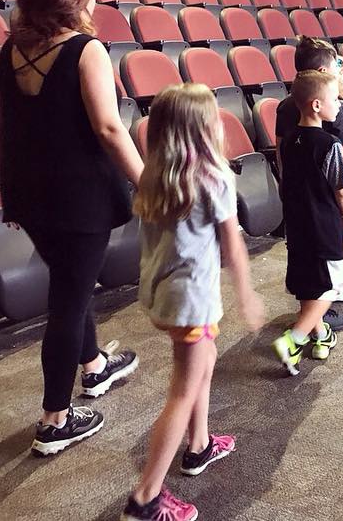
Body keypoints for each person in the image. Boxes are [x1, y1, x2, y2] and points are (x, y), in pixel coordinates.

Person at [0, 0, 143, 456]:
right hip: (82, 199)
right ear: (73, 0)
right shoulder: (86, 50)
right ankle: (55, 419)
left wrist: (7, 187)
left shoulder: (6, 54)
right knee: (68, 302)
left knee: (70, 284)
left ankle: (94, 366)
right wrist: (148, 183)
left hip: (30, 195)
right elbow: (108, 128)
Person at [122, 84, 265, 521]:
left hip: (163, 296)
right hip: (191, 303)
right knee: (182, 391)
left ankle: (199, 445)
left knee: (205, 361)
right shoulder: (215, 176)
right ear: (203, 130)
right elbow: (234, 245)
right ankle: (145, 499)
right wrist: (247, 293)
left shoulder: (155, 175)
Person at [274, 36, 343, 327]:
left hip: (298, 205)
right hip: (325, 209)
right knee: (329, 266)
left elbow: (280, 153)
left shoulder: (287, 106)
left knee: (305, 264)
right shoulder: (333, 115)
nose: (338, 71)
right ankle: (318, 317)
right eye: (335, 66)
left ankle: (311, 317)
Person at [272, 70, 343, 376]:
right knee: (330, 287)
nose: (339, 104)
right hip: (324, 227)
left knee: (309, 284)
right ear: (317, 105)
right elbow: (341, 190)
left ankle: (320, 335)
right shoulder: (329, 143)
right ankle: (293, 338)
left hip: (298, 225)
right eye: (335, 99)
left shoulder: (289, 140)